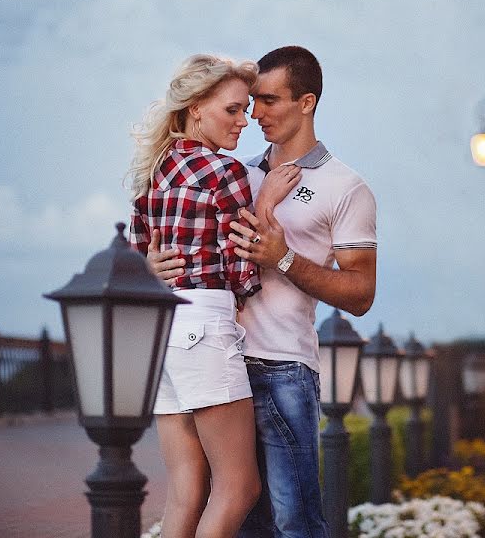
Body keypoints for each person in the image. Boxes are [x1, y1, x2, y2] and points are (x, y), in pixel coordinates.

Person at [149, 46, 377, 538]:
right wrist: (148, 266)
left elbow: (361, 293)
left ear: (307, 102)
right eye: (248, 102)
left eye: (269, 101)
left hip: (283, 368)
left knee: (294, 521)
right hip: (217, 360)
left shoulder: (346, 187)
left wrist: (285, 259)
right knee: (230, 513)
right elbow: (167, 237)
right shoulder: (232, 170)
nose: (254, 114)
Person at [127, 53, 301, 538]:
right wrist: (264, 203)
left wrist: (152, 270)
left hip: (165, 336)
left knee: (186, 489)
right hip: (205, 328)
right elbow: (244, 271)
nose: (243, 121)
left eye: (246, 109)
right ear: (195, 107)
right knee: (239, 487)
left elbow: (136, 255)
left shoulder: (153, 172)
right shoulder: (224, 172)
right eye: (232, 110)